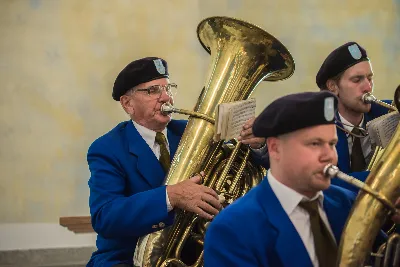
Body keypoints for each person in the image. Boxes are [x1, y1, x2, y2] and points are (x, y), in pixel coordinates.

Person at [86, 57, 265, 267]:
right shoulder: (108, 148)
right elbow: (105, 217)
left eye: (169, 88)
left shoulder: (192, 132)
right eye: (153, 91)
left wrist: (257, 145)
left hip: (192, 255)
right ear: (128, 104)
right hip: (127, 258)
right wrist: (171, 196)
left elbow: (245, 164)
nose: (166, 98)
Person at [204, 91, 400, 267]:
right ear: (275, 148)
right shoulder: (232, 229)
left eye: (331, 144)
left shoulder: (344, 201)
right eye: (315, 144)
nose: (329, 156)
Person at [316, 41, 392, 191]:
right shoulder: (318, 125)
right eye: (357, 80)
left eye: (370, 78)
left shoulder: (389, 112)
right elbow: (327, 183)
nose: (368, 87)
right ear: (333, 87)